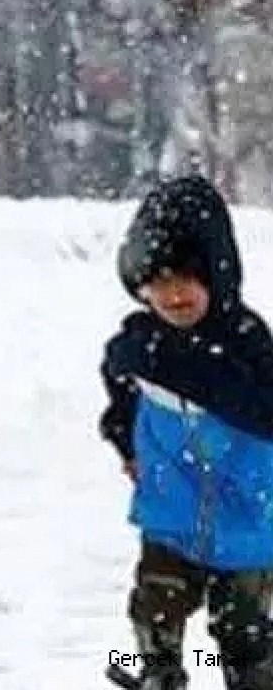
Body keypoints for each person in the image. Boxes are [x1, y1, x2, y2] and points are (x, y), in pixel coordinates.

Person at [100, 174, 273, 690]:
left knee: (241, 622)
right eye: (158, 281)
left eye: (186, 279)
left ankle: (253, 675)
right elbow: (120, 383)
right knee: (155, 600)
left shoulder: (244, 340)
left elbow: (262, 409)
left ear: (216, 276)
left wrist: (186, 367)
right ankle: (157, 673)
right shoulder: (139, 341)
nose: (173, 295)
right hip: (172, 504)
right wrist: (125, 438)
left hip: (245, 511)